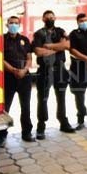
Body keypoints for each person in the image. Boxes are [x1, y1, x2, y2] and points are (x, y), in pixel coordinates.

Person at [32, 10, 76, 139]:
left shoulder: (61, 31)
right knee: (43, 98)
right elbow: (39, 52)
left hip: (60, 69)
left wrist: (49, 46)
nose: (50, 19)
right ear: (43, 19)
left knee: (61, 97)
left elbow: (67, 45)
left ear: (55, 18)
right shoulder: (39, 34)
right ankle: (41, 126)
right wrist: (58, 47)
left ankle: (63, 121)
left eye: (52, 17)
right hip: (45, 69)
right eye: (47, 17)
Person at [0, 15, 33, 146]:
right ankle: (1, 136)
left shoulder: (25, 40)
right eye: (11, 23)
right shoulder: (1, 39)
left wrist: (24, 70)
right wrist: (12, 70)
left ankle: (27, 133)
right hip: (8, 77)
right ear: (7, 25)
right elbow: (0, 57)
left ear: (19, 25)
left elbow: (29, 58)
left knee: (26, 107)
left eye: (16, 23)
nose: (13, 25)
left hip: (25, 78)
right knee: (5, 108)